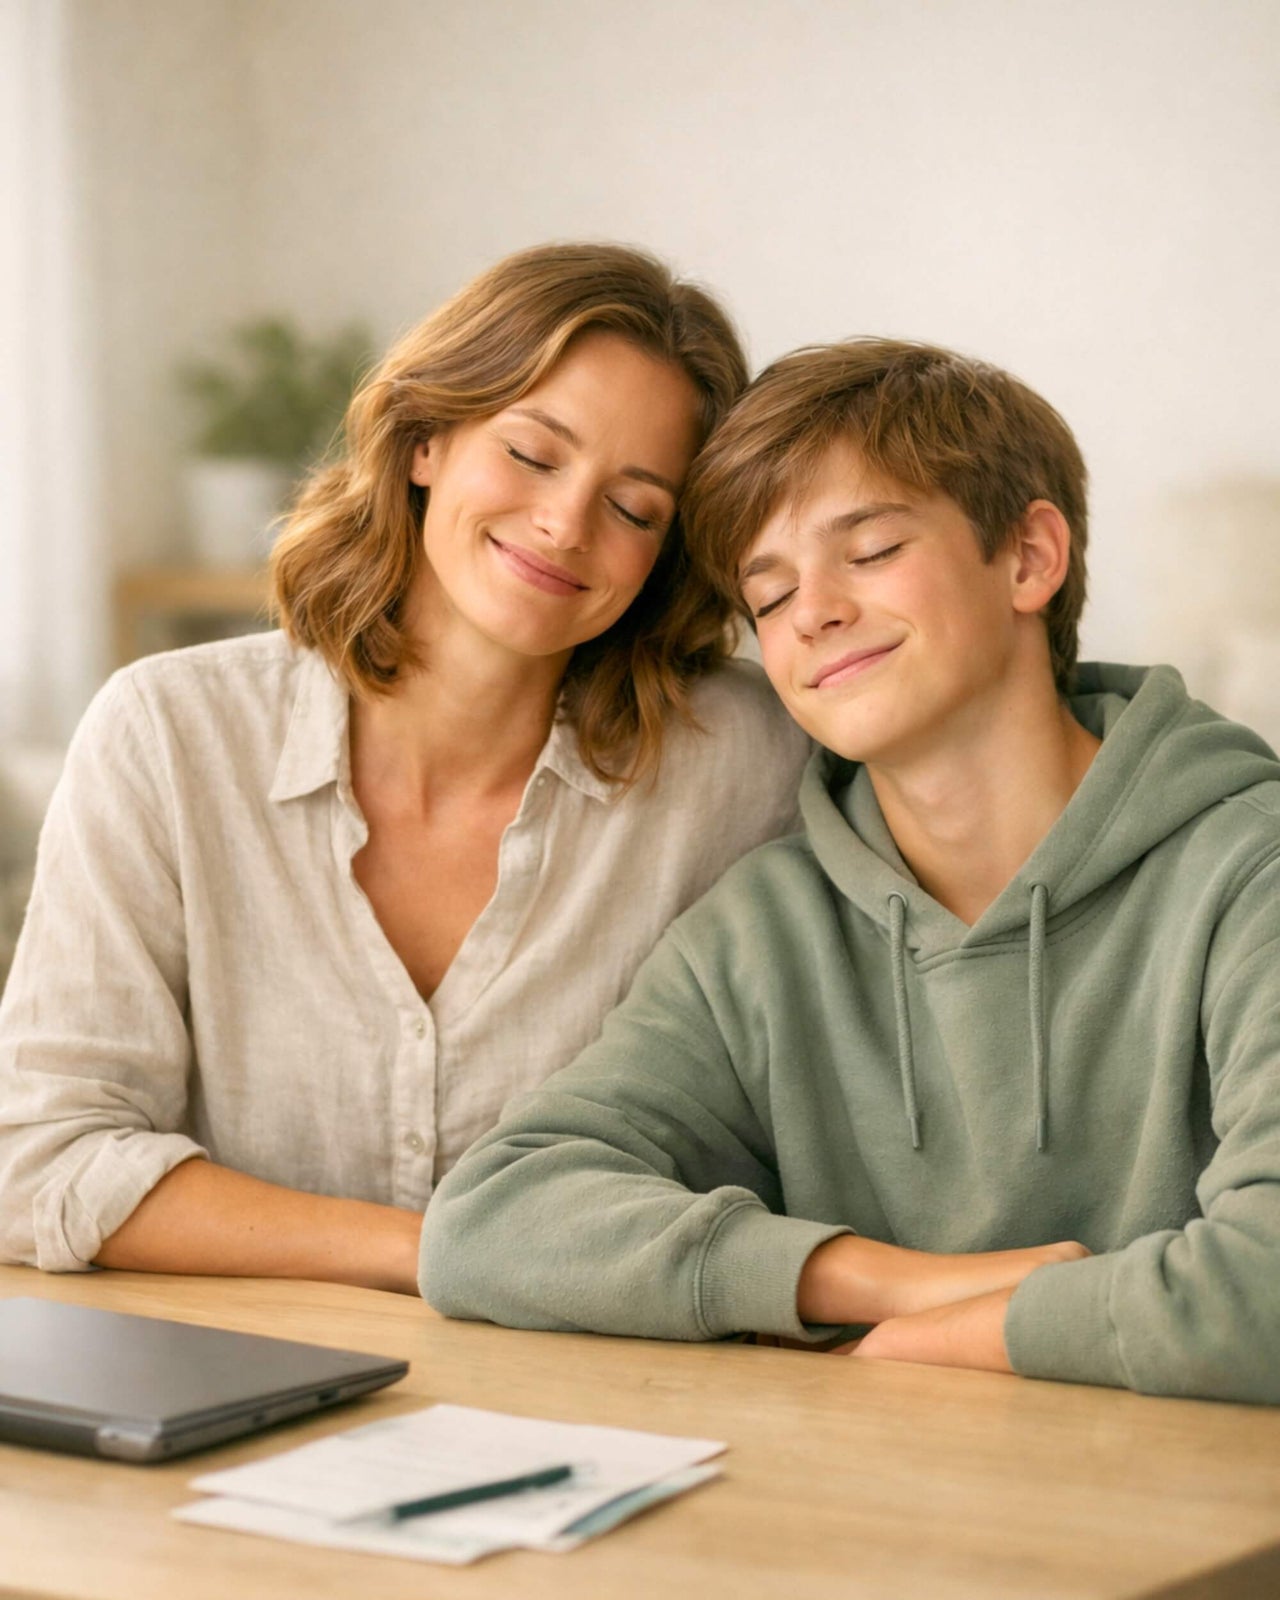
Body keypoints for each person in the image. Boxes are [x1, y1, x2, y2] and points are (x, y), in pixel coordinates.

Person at [420, 337, 1280, 1403]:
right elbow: (490, 1221)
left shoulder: (1250, 869)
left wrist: (942, 1341)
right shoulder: (762, 928)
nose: (812, 612)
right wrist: (890, 1286)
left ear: (1027, 558)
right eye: (768, 595)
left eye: (867, 550)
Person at [0, 243, 811, 1293]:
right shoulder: (166, 736)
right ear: (426, 438)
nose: (565, 523)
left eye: (634, 507)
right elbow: (41, 1158)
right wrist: (444, 1257)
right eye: (531, 453)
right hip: (243, 1392)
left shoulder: (741, 763)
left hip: (619, 1392)